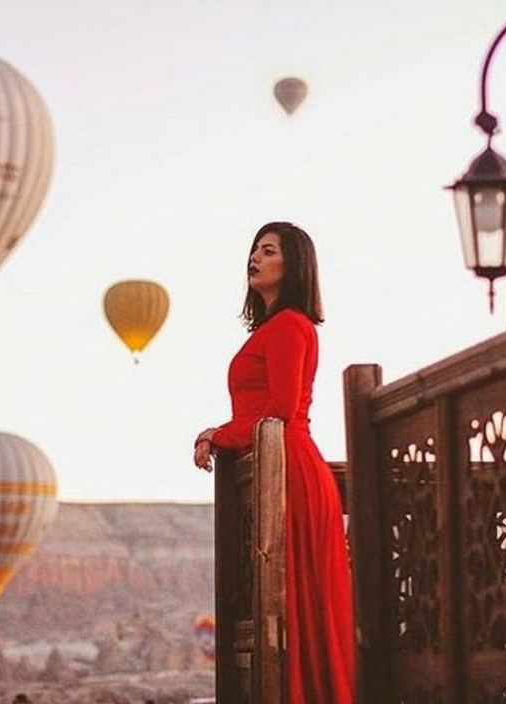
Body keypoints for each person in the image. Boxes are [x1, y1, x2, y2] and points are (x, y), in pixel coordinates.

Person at [193, 221, 353, 703]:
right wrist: (223, 433)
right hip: (276, 467)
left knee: (297, 606)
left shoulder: (288, 327)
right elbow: (261, 413)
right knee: (291, 605)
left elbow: (280, 415)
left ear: (294, 265)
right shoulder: (272, 329)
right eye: (254, 250)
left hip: (291, 471)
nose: (255, 258)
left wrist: (217, 435)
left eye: (268, 251)